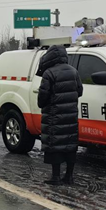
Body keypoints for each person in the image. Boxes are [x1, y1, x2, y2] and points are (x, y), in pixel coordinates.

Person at [37, 45, 83, 185]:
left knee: (54, 144)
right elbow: (80, 91)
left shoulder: (49, 73)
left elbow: (42, 98)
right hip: (71, 115)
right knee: (70, 143)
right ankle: (69, 176)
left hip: (54, 116)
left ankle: (55, 177)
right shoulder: (73, 71)